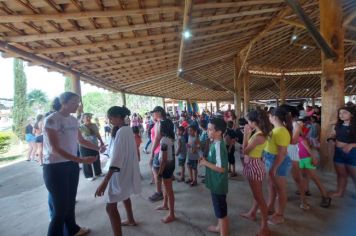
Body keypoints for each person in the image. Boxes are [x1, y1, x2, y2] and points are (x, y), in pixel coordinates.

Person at [43, 92, 104, 236]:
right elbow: (55, 149)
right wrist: (81, 160)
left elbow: (81, 141)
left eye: (78, 102)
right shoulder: (52, 120)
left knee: (70, 202)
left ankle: (73, 229)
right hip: (55, 167)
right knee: (59, 210)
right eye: (74, 102)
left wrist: (98, 148)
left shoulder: (73, 120)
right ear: (63, 103)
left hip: (71, 165)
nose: (78, 105)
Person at [95, 106, 141, 236]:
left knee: (110, 207)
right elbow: (119, 150)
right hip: (125, 171)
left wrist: (104, 182)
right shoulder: (124, 130)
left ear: (119, 117)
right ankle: (131, 219)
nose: (109, 120)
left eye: (111, 117)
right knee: (125, 195)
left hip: (119, 173)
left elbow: (117, 160)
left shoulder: (121, 131)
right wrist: (108, 148)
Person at [240, 110, 272, 236]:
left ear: (254, 122)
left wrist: (245, 135)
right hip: (253, 164)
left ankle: (265, 227)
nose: (247, 123)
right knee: (256, 194)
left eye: (249, 121)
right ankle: (252, 213)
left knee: (259, 197)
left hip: (254, 165)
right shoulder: (259, 133)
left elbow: (245, 151)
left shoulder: (258, 136)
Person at [199, 117, 229, 236]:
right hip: (215, 183)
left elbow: (221, 168)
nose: (208, 131)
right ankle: (219, 227)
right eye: (208, 129)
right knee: (218, 208)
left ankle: (224, 232)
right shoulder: (215, 143)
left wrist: (205, 163)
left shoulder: (218, 146)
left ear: (219, 132)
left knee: (221, 211)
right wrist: (207, 160)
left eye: (210, 129)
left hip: (218, 184)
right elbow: (217, 162)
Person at [263, 105, 292, 225]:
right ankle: (270, 207)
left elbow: (283, 152)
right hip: (271, 159)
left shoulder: (281, 130)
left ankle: (280, 214)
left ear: (274, 117)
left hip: (278, 161)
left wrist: (274, 167)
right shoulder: (276, 129)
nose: (269, 118)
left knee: (280, 189)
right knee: (271, 185)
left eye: (269, 116)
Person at [297, 122, 331, 207]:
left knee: (314, 178)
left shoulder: (301, 138)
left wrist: (314, 158)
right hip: (301, 159)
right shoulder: (298, 137)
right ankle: (306, 189)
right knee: (305, 175)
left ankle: (325, 196)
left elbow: (309, 149)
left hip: (306, 159)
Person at [329, 106, 356, 198]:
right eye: (340, 113)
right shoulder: (338, 125)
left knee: (354, 175)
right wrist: (331, 139)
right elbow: (334, 135)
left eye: (345, 113)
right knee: (341, 174)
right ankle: (340, 192)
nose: (341, 115)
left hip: (352, 153)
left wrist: (352, 145)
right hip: (338, 152)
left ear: (351, 114)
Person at [155, 119, 176, 223]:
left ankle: (171, 214)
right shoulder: (170, 138)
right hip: (170, 164)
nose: (157, 128)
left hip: (166, 167)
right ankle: (165, 204)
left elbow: (163, 159)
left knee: (168, 190)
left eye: (159, 126)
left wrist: (159, 173)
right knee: (165, 187)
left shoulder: (164, 140)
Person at [79, 113, 105, 181]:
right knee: (86, 160)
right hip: (84, 146)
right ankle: (88, 175)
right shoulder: (80, 127)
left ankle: (98, 172)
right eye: (86, 117)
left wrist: (101, 142)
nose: (88, 118)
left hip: (94, 144)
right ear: (83, 119)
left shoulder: (94, 125)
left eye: (89, 117)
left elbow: (97, 134)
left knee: (96, 158)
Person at [149, 106, 166, 202]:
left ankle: (159, 192)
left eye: (154, 112)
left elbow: (157, 138)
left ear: (159, 113)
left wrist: (152, 152)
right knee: (161, 171)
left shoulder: (159, 123)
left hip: (158, 150)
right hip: (161, 150)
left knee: (156, 172)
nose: (153, 114)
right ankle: (163, 190)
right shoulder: (163, 122)